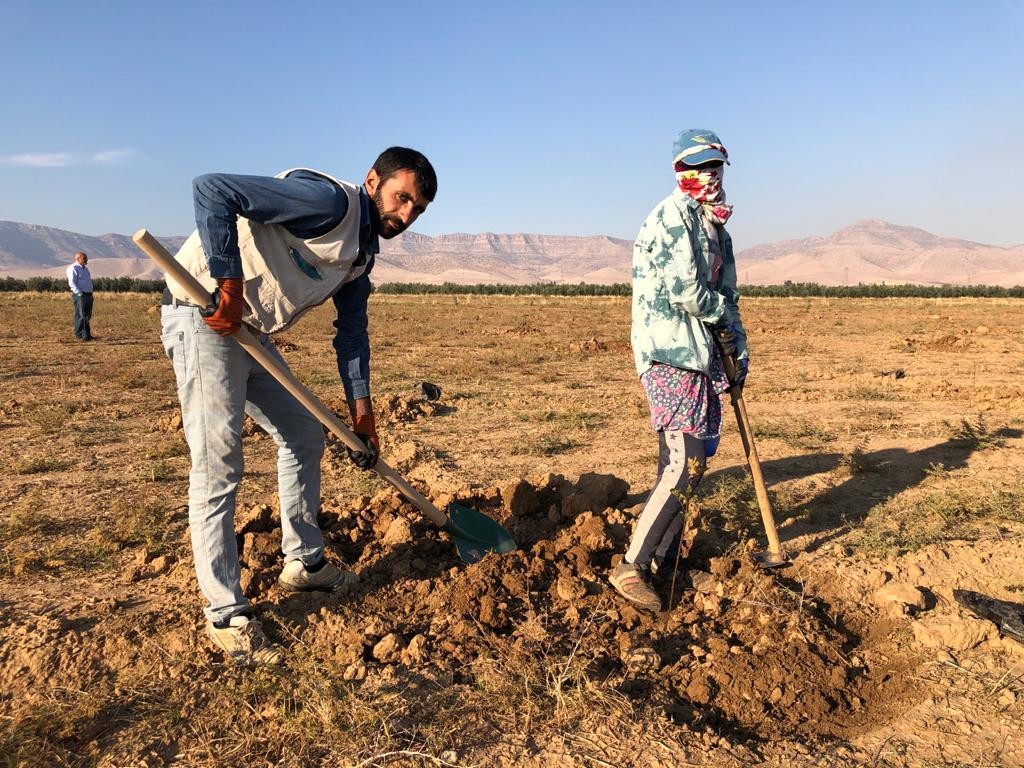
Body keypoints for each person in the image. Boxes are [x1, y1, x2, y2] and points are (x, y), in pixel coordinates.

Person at [160, 147, 437, 664]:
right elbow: (213, 189)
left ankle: (305, 564)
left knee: (305, 434)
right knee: (219, 462)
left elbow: (352, 336)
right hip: (203, 316)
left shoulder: (361, 257)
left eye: (417, 210)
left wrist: (363, 417)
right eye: (402, 198)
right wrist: (227, 283)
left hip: (251, 333)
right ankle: (225, 612)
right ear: (372, 180)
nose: (405, 216)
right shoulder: (327, 203)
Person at [609, 129, 749, 612]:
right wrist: (724, 321)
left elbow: (727, 296)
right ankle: (631, 565)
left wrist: (738, 347)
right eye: (698, 167)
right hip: (670, 354)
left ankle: (663, 560)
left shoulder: (717, 228)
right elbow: (686, 291)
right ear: (679, 171)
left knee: (690, 463)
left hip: (702, 356)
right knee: (683, 460)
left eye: (715, 166)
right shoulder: (670, 217)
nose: (708, 175)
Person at [66, 251, 94, 340]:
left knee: (87, 315)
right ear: (78, 259)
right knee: (81, 315)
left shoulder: (85, 269)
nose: (86, 260)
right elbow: (72, 282)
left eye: (86, 258)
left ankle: (86, 334)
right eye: (84, 258)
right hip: (80, 295)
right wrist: (79, 293)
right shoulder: (73, 268)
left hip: (88, 294)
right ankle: (80, 335)